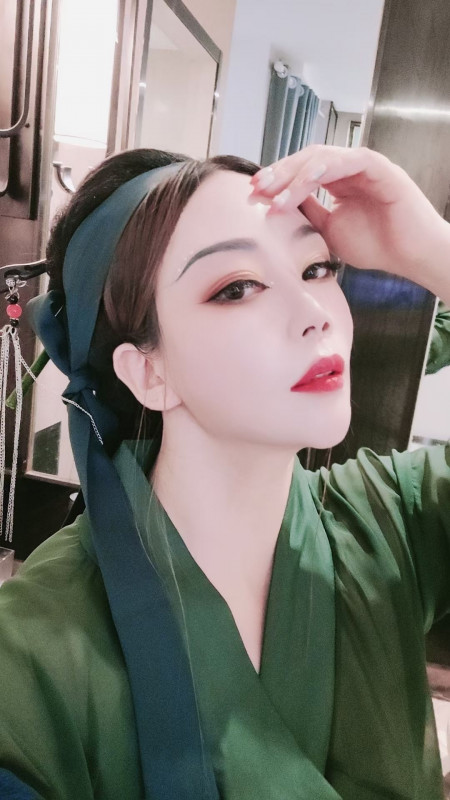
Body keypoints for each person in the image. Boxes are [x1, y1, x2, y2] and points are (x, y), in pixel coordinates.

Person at [0, 144, 449, 800]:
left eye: (317, 267)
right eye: (237, 288)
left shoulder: (391, 522)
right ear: (147, 371)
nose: (315, 313)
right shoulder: (32, 659)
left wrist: (432, 249)